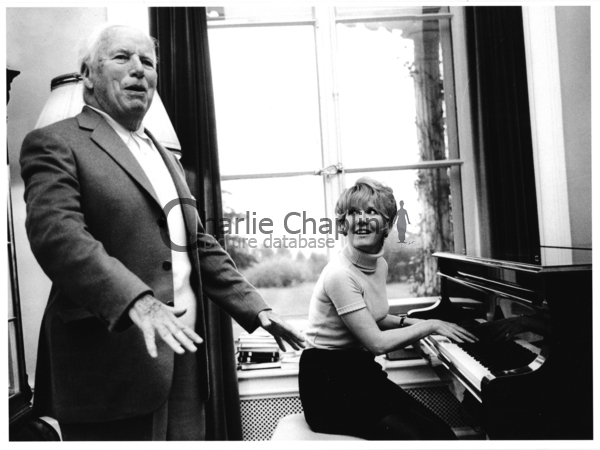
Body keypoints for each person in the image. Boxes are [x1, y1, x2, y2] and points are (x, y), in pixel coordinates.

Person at [20, 24, 304, 441]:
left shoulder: (163, 153)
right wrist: (137, 300)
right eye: (122, 58)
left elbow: (196, 243)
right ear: (87, 73)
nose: (139, 70)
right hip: (109, 368)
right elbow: (58, 236)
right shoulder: (54, 143)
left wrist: (259, 310)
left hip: (185, 367)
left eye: (148, 62)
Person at [298, 177, 477, 440]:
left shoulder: (378, 265)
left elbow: (376, 318)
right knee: (416, 441)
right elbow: (377, 343)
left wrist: (414, 324)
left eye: (371, 211)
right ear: (343, 224)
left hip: (360, 374)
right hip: (329, 385)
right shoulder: (339, 275)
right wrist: (431, 325)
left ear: (387, 224)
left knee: (442, 435)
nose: (361, 219)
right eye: (352, 212)